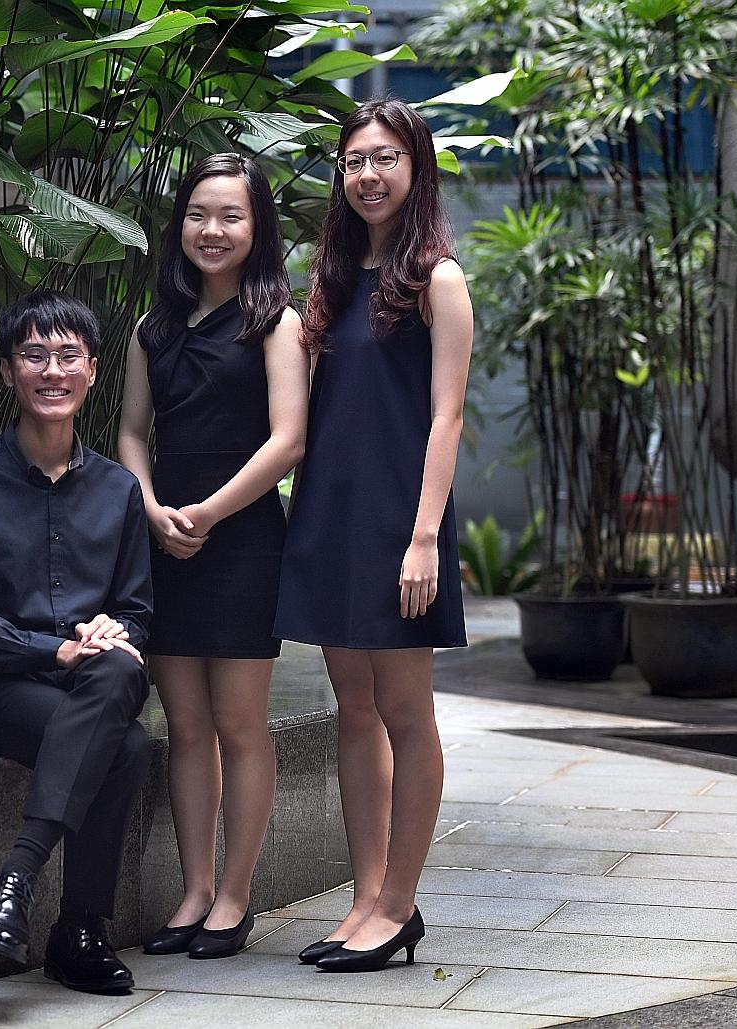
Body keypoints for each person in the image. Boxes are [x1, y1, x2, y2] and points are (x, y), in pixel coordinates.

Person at [275, 98, 473, 973]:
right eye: (354, 160)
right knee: (351, 707)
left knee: (404, 712)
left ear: (415, 168)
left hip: (402, 520)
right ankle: (363, 899)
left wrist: (424, 536)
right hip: (328, 510)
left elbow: (447, 415)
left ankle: (400, 904)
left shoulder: (440, 279)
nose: (367, 175)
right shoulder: (333, 280)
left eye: (385, 158)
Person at [116, 153, 309, 959]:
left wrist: (208, 511)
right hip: (164, 538)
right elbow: (130, 430)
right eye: (199, 214)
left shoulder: (278, 321)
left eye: (230, 215)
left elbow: (288, 440)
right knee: (186, 724)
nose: (213, 229)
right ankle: (194, 891)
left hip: (243, 540)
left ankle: (235, 895)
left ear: (257, 226)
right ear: (180, 225)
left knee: (239, 723)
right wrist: (152, 507)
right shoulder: (150, 327)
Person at [0, 291, 153, 994]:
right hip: (0, 687)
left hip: (94, 679)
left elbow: (138, 612)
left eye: (68, 356)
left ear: (92, 370)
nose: (51, 370)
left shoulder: (120, 490)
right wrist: (51, 649)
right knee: (124, 744)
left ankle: (17, 877)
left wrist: (108, 629)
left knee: (121, 675)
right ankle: (78, 933)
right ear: (6, 371)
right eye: (34, 355)